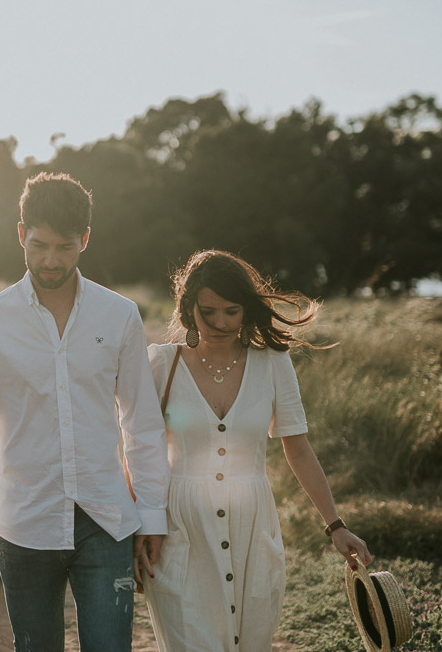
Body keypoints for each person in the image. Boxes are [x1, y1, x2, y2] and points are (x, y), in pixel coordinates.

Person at [0, 172, 170, 652]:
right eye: (39, 245)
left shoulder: (120, 315)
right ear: (20, 234)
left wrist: (152, 514)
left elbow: (142, 424)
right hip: (23, 519)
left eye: (65, 247)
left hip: (106, 518)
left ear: (85, 239)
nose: (51, 260)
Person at [137, 249, 372, 652]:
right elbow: (137, 450)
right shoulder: (161, 364)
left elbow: (298, 450)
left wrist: (336, 525)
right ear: (187, 307)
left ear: (247, 310)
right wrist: (144, 523)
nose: (220, 323)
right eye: (207, 311)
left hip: (254, 530)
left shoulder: (273, 365)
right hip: (180, 532)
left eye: (231, 310)